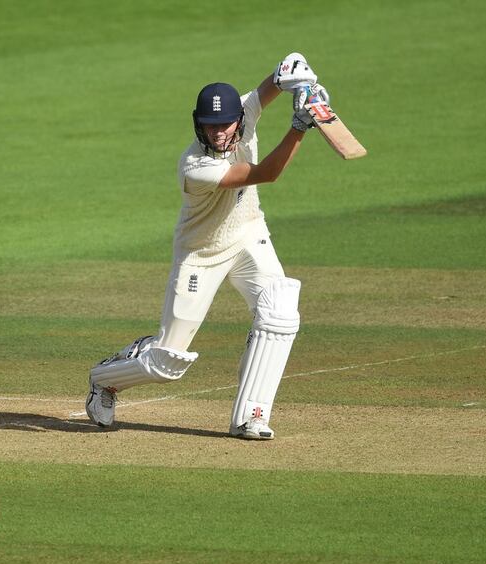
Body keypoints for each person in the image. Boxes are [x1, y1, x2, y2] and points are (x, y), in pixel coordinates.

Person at [85, 53, 328, 440]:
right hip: (201, 254)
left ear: (238, 120)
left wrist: (291, 75)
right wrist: (300, 124)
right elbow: (267, 174)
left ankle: (252, 416)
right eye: (209, 125)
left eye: (224, 124)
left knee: (280, 310)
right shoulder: (195, 165)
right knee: (166, 362)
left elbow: (268, 89)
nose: (217, 132)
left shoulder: (244, 114)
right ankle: (104, 379)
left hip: (248, 235)